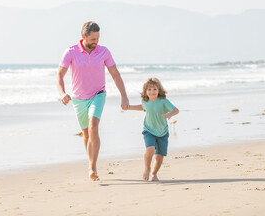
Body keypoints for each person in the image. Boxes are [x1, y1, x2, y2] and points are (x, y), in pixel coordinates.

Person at [56, 21, 129, 181]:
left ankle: (92, 166)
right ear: (83, 37)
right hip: (79, 99)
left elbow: (115, 74)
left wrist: (123, 95)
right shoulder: (70, 52)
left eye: (98, 38)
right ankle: (91, 163)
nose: (96, 42)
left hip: (98, 94)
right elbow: (60, 75)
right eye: (92, 39)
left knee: (93, 127)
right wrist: (62, 93)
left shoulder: (104, 52)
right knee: (86, 134)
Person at [127, 77, 179, 181]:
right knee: (150, 149)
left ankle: (154, 174)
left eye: (155, 89)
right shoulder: (145, 101)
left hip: (162, 132)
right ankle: (147, 169)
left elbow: (176, 110)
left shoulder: (163, 101)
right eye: (149, 89)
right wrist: (129, 107)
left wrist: (170, 113)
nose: (152, 92)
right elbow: (142, 107)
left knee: (159, 156)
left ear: (159, 90)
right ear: (145, 91)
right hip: (149, 130)